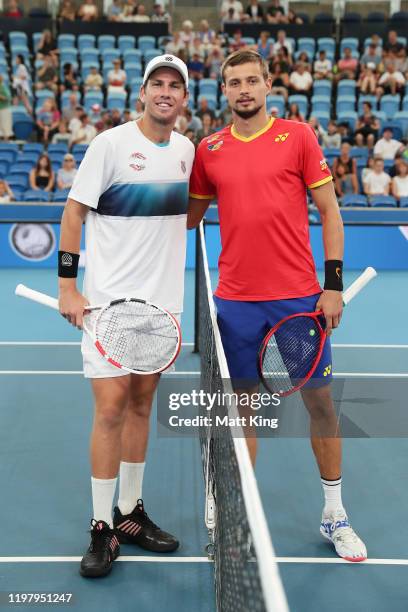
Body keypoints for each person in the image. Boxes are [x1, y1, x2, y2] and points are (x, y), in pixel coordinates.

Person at [187, 49, 367, 562]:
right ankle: (235, 508)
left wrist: (331, 286)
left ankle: (335, 514)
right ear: (223, 91)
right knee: (240, 412)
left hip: (298, 299)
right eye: (232, 82)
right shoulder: (210, 149)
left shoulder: (300, 137)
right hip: (236, 303)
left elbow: (330, 212)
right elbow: (186, 217)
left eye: (251, 80)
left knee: (320, 405)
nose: (242, 89)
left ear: (268, 85)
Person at [58, 54, 195, 578]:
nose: (165, 92)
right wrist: (68, 287)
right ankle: (100, 527)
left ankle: (131, 513)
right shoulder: (110, 145)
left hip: (162, 307)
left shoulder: (186, 152)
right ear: (142, 94)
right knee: (111, 408)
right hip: (107, 304)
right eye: (156, 84)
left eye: (174, 86)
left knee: (142, 405)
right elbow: (74, 212)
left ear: (184, 99)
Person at [0, 74, 13, 140]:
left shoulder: (3, 86)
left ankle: (6, 143)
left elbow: (8, 98)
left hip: (4, 109)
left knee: (6, 127)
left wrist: (1, 97)